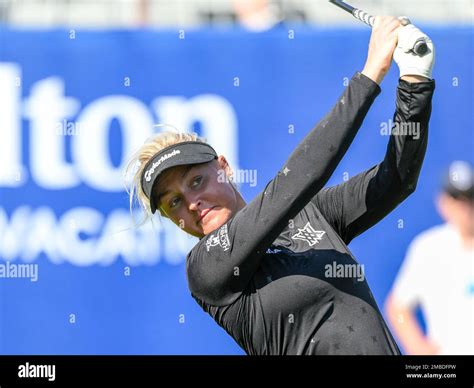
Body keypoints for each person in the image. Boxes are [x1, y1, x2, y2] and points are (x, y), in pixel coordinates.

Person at [126, 16, 435, 354]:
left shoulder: (310, 214)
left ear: (224, 168)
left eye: (196, 181)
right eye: (174, 203)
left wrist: (414, 83)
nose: (191, 203)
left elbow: (397, 180)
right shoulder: (204, 268)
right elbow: (299, 179)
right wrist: (370, 74)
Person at [386, 161, 474, 355]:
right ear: (444, 202)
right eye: (457, 198)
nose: (466, 207)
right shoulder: (429, 249)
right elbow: (397, 307)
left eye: (471, 198)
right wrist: (419, 350)